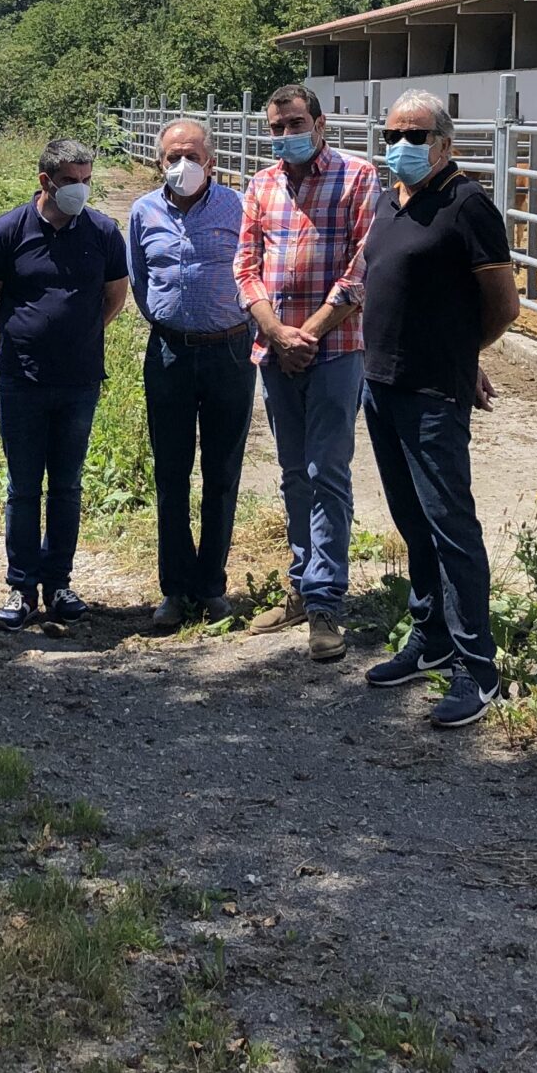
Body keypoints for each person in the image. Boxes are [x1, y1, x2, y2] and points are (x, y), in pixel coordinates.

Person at [359, 90, 520, 727]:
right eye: (393, 132)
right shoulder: (387, 200)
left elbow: (502, 305)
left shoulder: (467, 203)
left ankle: (476, 669)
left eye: (416, 135)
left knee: (451, 526)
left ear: (445, 144)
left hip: (430, 393)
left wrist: (460, 355)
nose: (402, 144)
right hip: (380, 385)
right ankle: (429, 639)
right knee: (412, 522)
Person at [232, 82, 375, 662]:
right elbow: (245, 266)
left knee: (328, 471)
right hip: (277, 351)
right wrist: (274, 331)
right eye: (276, 127)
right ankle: (302, 582)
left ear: (320, 124)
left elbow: (361, 267)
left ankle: (325, 603)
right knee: (294, 471)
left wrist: (307, 333)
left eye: (295, 123)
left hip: (336, 348)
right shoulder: (262, 185)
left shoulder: (359, 178)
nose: (285, 135)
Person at [0, 137, 129, 630]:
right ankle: (21, 587)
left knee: (67, 485)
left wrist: (77, 336)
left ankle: (59, 583)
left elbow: (114, 297)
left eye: (87, 181)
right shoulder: (8, 230)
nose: (80, 191)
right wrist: (19, 332)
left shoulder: (104, 232)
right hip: (21, 379)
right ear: (45, 181)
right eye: (71, 182)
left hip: (80, 380)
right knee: (23, 488)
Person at [126, 118, 251, 630]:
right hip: (170, 353)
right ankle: (175, 591)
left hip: (230, 352)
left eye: (192, 156)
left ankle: (212, 586)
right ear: (159, 161)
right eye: (173, 157)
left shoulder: (238, 207)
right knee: (171, 473)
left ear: (211, 161)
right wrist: (167, 319)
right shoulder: (142, 211)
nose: (183, 166)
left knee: (222, 473)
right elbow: (138, 278)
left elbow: (254, 268)